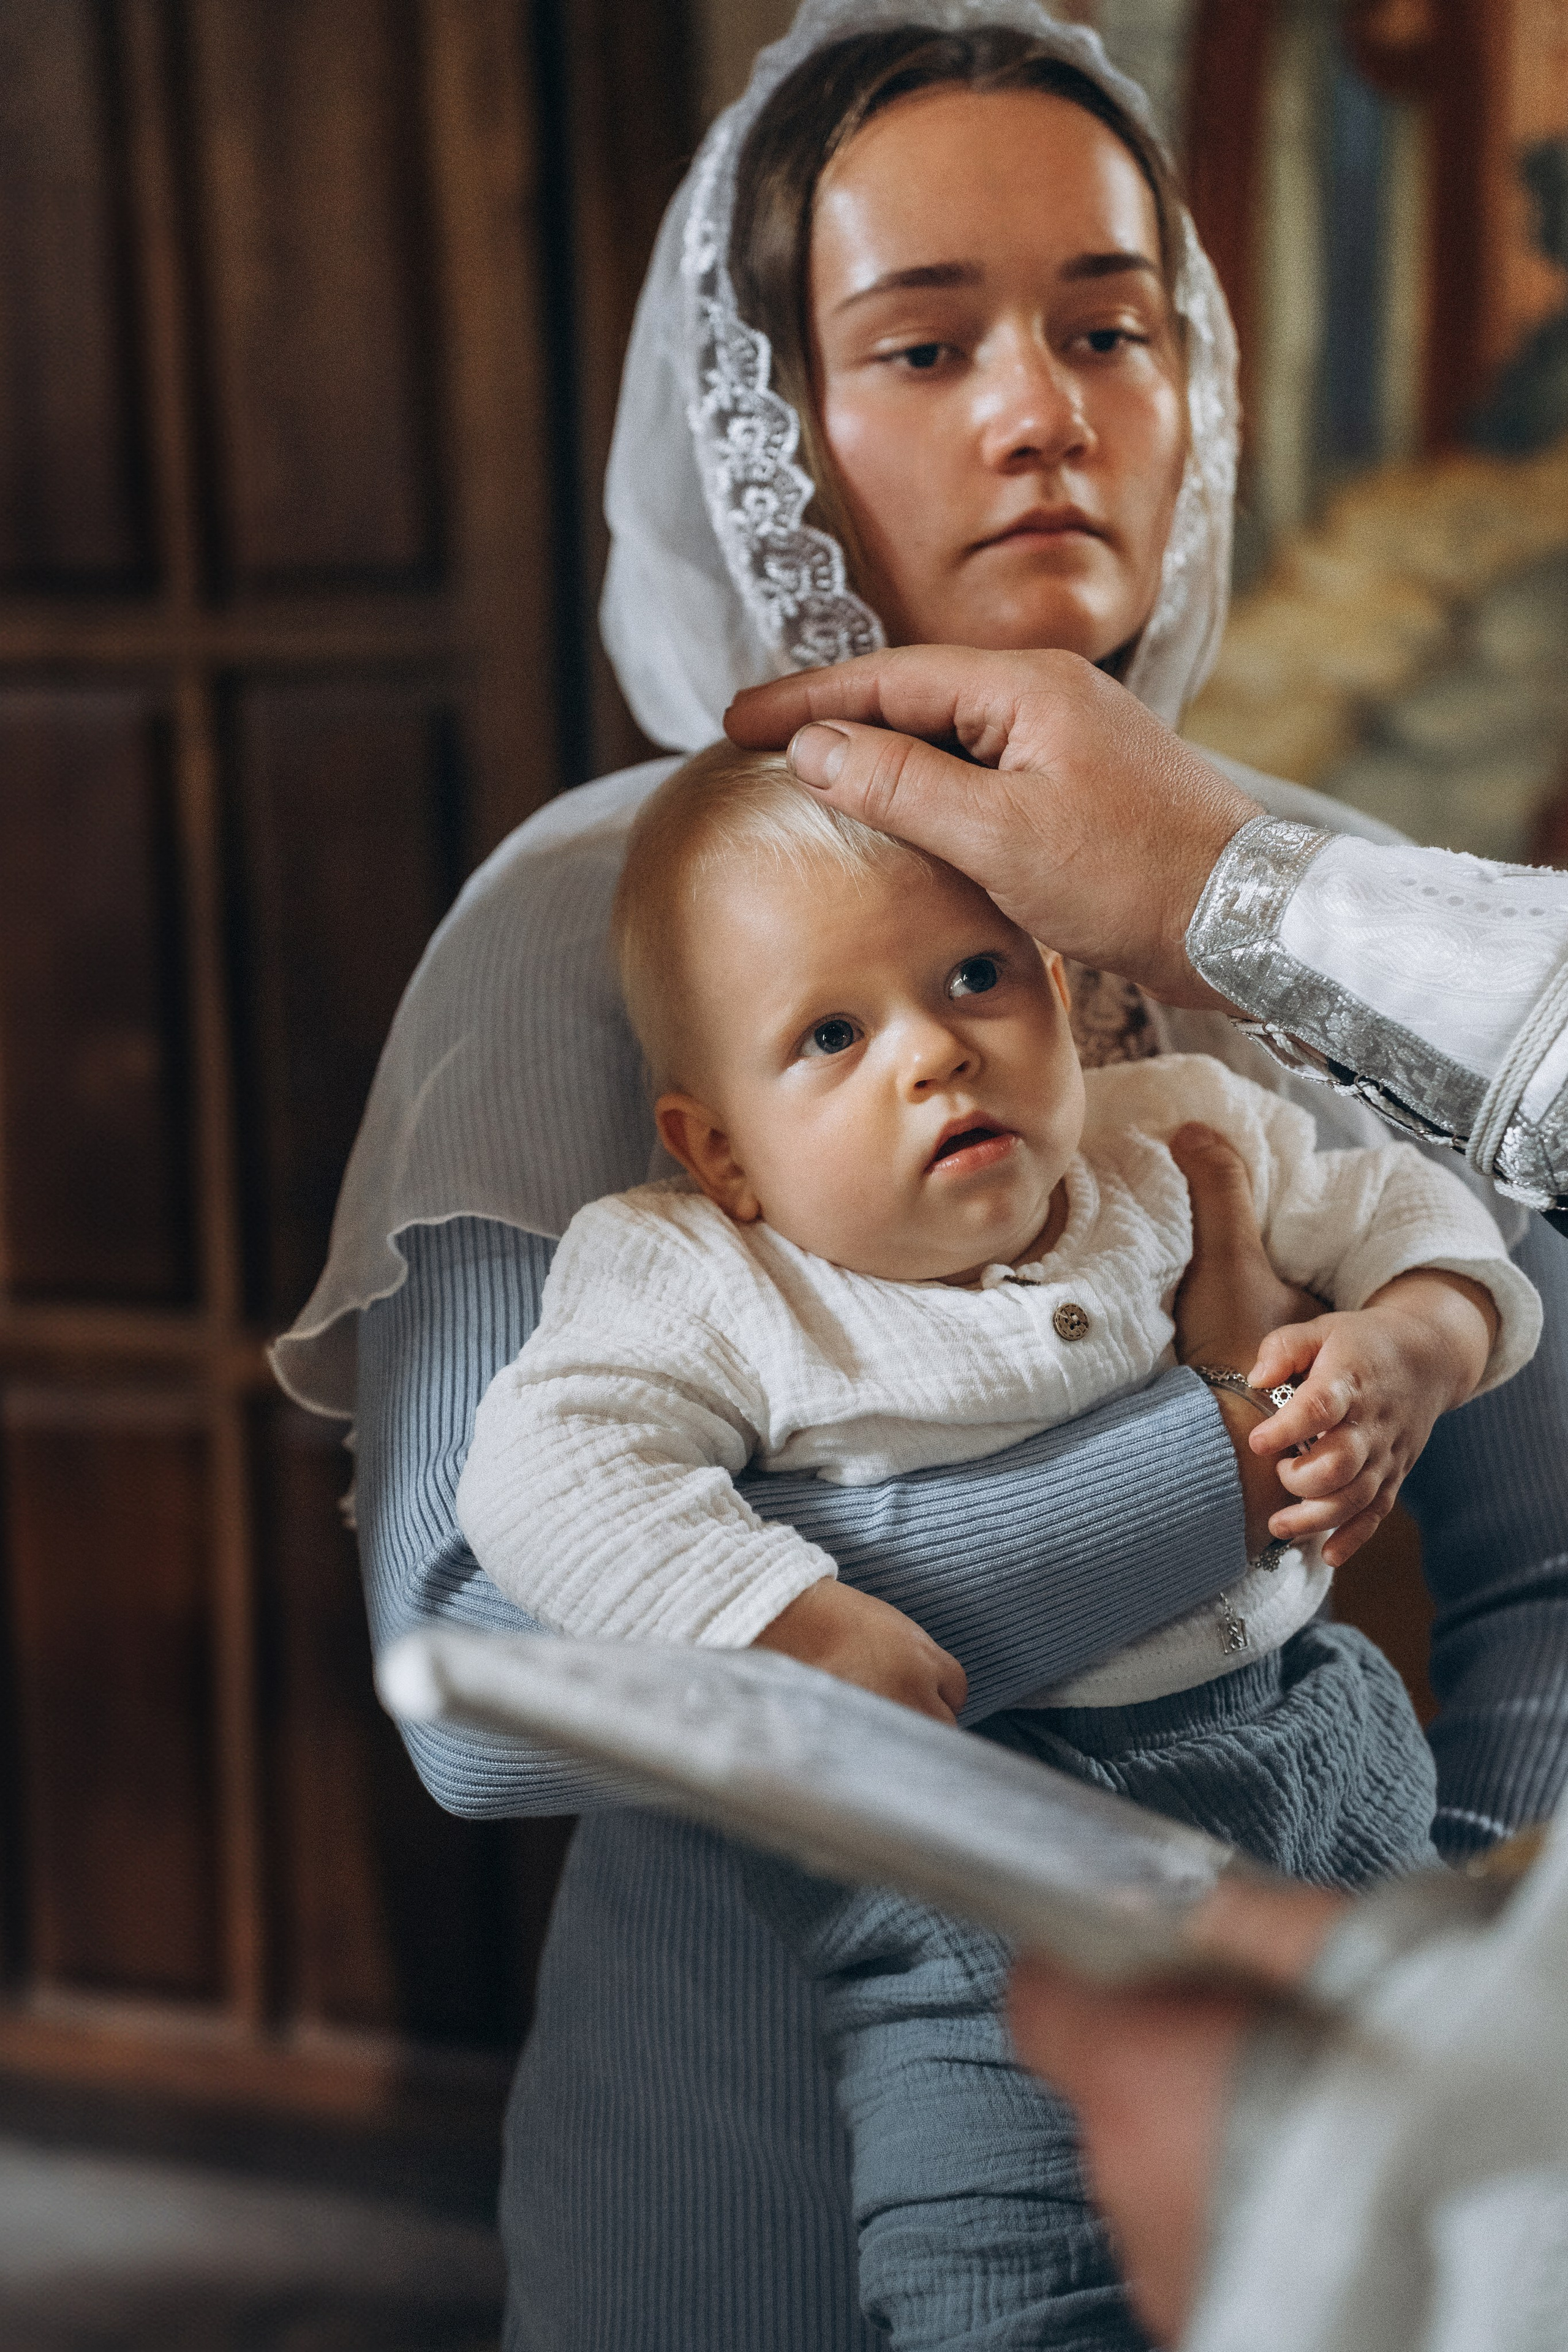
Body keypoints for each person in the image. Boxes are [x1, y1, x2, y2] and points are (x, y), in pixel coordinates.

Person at [270, 8, 1568, 2343]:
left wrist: (1443, 1983)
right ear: (767, 429)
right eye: (924, 340)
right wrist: (1216, 1460)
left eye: (1111, 324)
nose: (1046, 407)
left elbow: (1557, 1552)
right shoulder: (590, 926)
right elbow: (476, 1670)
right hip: (750, 2178)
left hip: (1323, 2178)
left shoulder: (1341, 910)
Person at [453, 739, 1537, 2350]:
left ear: (1062, 984)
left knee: (1403, 2201)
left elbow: (1402, 1206)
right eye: (832, 1033)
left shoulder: (1173, 1132)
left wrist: (1422, 1341)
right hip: (986, 1858)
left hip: (1322, 1749)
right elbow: (541, 1472)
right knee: (1020, 2270)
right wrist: (784, 1618)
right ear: (721, 1152)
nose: (936, 1056)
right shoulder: (696, 1275)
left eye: (976, 977)